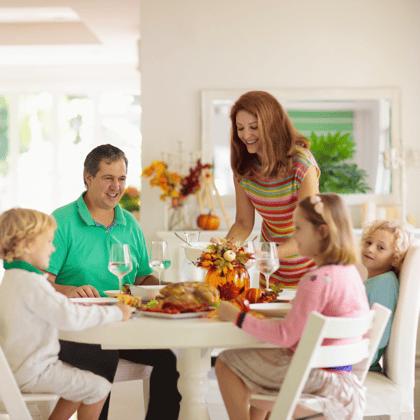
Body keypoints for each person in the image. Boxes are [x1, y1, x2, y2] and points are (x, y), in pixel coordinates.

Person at [45, 144, 181, 420]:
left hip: (121, 324)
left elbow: (143, 276)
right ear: (88, 177)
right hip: (74, 329)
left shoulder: (129, 223)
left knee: (168, 360)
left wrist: (159, 286)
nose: (115, 186)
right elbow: (41, 282)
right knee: (102, 358)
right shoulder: (61, 221)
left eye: (121, 179)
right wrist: (68, 290)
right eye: (108, 178)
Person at [215, 193, 370, 420]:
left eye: (298, 228)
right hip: (345, 382)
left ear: (322, 232)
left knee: (227, 362)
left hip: (315, 379)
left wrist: (236, 316)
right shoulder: (350, 274)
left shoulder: (315, 280)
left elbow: (285, 336)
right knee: (257, 361)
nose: (292, 236)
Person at [0, 208, 133, 420]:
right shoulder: (32, 282)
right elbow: (69, 317)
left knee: (81, 383)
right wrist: (115, 313)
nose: (53, 249)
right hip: (34, 371)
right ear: (26, 245)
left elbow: (58, 307)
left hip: (16, 369)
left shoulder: (12, 278)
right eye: (48, 241)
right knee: (99, 387)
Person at [220, 90, 320, 291]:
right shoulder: (243, 166)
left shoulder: (301, 164)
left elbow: (309, 229)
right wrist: (223, 250)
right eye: (240, 128)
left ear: (271, 126)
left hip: (311, 269)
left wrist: (265, 255)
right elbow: (242, 223)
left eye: (254, 127)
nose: (246, 135)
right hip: (271, 271)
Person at [361, 219, 412, 372]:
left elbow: (379, 336)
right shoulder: (377, 282)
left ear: (395, 257)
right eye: (369, 242)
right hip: (355, 358)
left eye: (380, 247)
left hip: (358, 362)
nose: (370, 249)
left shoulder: (383, 284)